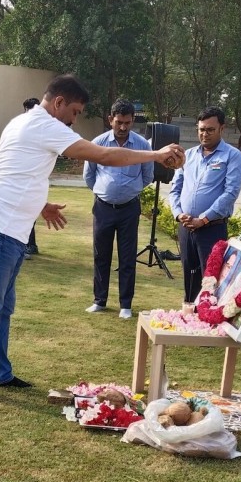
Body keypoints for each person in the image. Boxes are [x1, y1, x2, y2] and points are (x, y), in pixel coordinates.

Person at [0, 74, 185, 400]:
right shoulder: (44, 125)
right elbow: (105, 155)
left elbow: (15, 174)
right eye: (76, 111)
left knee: (3, 306)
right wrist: (154, 155)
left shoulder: (22, 123)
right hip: (1, 227)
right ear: (59, 103)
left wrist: (42, 205)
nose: (74, 118)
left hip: (6, 226)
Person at [83, 99, 154, 319]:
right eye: (119, 122)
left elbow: (148, 175)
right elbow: (89, 174)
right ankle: (99, 300)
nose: (123, 128)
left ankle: (126, 304)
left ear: (133, 121)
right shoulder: (98, 143)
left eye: (127, 123)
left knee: (127, 256)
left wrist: (129, 190)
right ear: (110, 119)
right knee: (101, 255)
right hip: (103, 208)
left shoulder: (143, 145)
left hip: (129, 209)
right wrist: (106, 191)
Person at [168, 107, 241, 302]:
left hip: (211, 229)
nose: (204, 134)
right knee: (189, 275)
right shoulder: (189, 156)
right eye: (201, 129)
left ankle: (206, 319)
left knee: (210, 280)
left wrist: (203, 219)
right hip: (186, 228)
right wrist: (178, 214)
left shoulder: (233, 157)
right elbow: (175, 189)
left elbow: (230, 193)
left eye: (210, 129)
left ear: (222, 128)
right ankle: (188, 313)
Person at [22, 97, 41, 259]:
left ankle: (30, 244)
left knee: (29, 211)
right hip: (23, 177)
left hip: (35, 178)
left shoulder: (42, 130)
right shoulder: (22, 128)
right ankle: (30, 244)